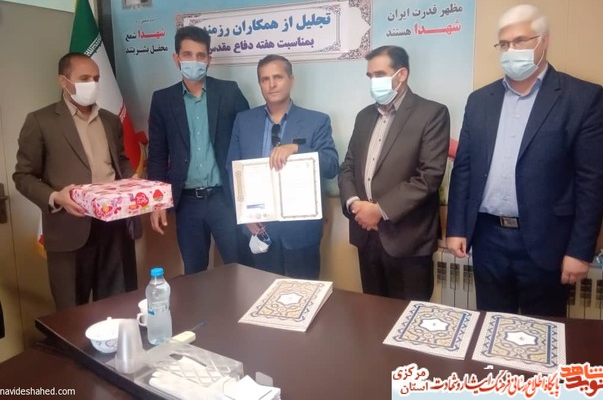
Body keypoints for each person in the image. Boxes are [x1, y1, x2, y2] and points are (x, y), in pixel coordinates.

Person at [446, 4, 603, 317]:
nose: (511, 50)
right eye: (504, 43)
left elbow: (593, 180)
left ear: (544, 40)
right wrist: (456, 227)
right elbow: (464, 168)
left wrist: (579, 250)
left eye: (520, 40)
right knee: (490, 325)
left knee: (542, 332)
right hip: (488, 237)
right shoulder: (480, 101)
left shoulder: (581, 98)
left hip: (547, 241)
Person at [13, 53, 137, 310]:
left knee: (117, 306)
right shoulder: (41, 121)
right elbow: (23, 176)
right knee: (72, 313)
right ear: (64, 81)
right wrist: (55, 197)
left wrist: (133, 182)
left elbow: (121, 161)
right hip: (69, 229)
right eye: (84, 78)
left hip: (113, 227)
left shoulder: (110, 120)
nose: (92, 84)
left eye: (96, 79)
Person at [338, 45, 450, 300]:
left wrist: (379, 210)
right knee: (373, 315)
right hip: (366, 236)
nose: (373, 82)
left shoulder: (432, 114)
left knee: (410, 318)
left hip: (408, 240)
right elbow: (348, 166)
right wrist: (355, 204)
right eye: (370, 76)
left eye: (380, 74)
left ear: (402, 74)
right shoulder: (364, 116)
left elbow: (429, 176)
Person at [148, 26, 250, 274]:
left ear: (209, 59)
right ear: (176, 59)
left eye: (200, 55)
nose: (194, 61)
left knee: (240, 268)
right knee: (194, 273)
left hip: (226, 198)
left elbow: (248, 142)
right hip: (187, 203)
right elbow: (157, 156)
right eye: (187, 55)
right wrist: (157, 203)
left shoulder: (229, 92)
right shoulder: (163, 100)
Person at [227, 55, 339, 279]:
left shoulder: (316, 121)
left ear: (291, 80)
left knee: (304, 293)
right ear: (260, 84)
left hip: (301, 232)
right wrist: (244, 215)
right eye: (265, 79)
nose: (272, 84)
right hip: (259, 228)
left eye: (278, 77)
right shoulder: (244, 121)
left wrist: (297, 149)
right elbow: (232, 169)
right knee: (262, 292)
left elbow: (331, 165)